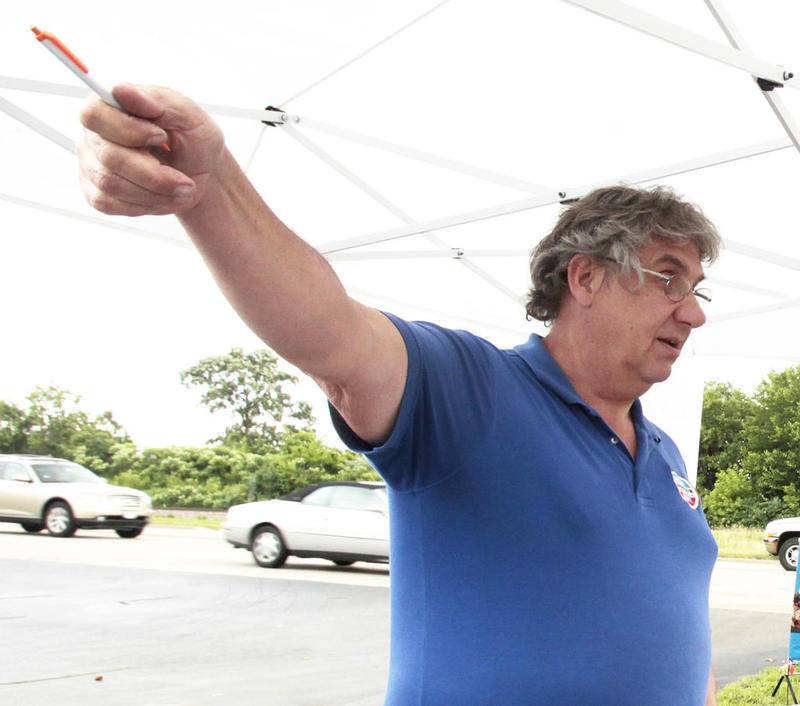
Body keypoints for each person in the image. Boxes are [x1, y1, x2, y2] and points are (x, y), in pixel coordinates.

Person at [77, 84, 721, 706]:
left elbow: (678, 621)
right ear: (585, 277)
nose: (692, 313)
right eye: (668, 279)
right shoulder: (473, 390)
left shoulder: (662, 451)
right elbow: (329, 331)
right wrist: (211, 187)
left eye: (695, 289)